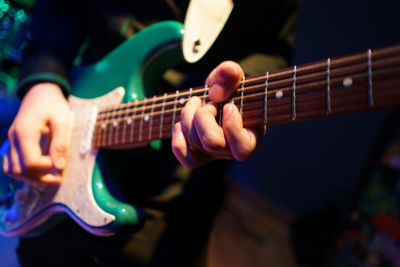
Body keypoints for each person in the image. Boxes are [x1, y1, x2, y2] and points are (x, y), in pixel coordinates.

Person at [3, 0, 298, 266]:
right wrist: (44, 78)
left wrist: (236, 86)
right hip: (71, 123)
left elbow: (273, 47)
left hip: (180, 181)